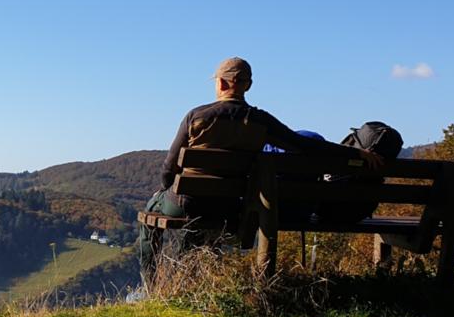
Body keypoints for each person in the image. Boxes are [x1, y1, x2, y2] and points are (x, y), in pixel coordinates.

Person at [137, 57, 384, 275]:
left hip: (187, 203)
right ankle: (192, 272)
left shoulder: (197, 116)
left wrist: (164, 189)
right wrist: (355, 152)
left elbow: (169, 169)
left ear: (221, 83)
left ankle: (151, 279)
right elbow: (305, 146)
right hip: (231, 206)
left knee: (151, 209)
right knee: (204, 214)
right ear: (248, 85)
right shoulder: (260, 121)